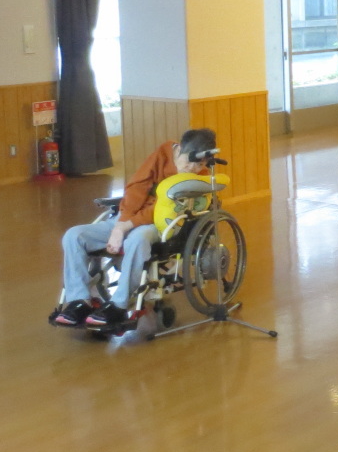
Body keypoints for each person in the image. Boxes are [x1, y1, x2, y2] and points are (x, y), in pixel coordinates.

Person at [49, 128, 219, 330]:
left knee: (137, 239)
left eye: (200, 164)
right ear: (179, 149)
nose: (192, 168)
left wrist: (124, 228)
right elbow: (137, 187)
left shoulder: (200, 178)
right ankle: (79, 300)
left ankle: (119, 305)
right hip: (129, 219)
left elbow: (162, 210)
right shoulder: (163, 153)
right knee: (74, 236)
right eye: (189, 161)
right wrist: (120, 224)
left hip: (160, 224)